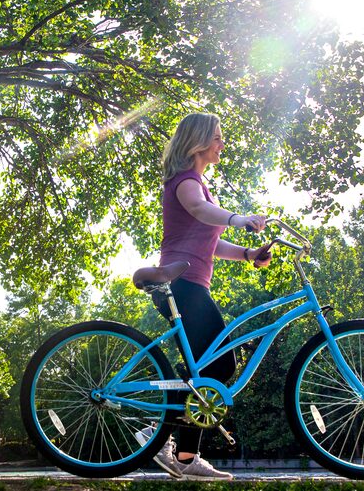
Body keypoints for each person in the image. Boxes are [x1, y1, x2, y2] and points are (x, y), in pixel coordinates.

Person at [136, 112, 271, 480]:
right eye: (217, 138)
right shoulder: (186, 181)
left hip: (190, 285)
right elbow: (200, 210)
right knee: (220, 365)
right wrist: (238, 217)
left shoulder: (197, 184)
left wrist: (246, 253)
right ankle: (156, 434)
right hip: (183, 286)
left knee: (206, 370)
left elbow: (208, 240)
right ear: (198, 142)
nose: (221, 144)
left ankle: (183, 456)